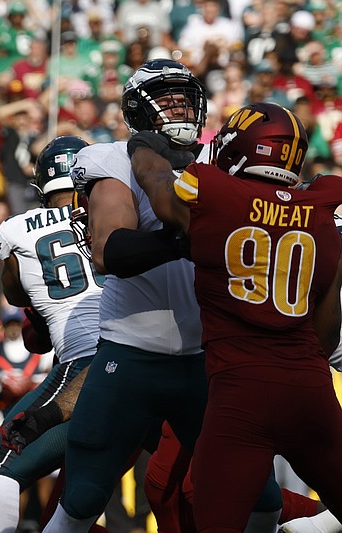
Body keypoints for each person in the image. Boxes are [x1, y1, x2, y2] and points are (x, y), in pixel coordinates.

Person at [39, 59, 280, 532]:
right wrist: (188, 239)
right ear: (137, 110)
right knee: (83, 500)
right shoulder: (109, 158)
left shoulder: (223, 159)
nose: (178, 105)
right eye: (164, 97)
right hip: (130, 356)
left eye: (184, 97)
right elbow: (109, 252)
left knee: (261, 496)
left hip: (205, 358)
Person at [128, 102, 342, 532]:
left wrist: (142, 147)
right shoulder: (321, 211)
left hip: (237, 395)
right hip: (309, 392)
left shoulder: (214, 194)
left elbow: (158, 186)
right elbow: (326, 336)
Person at [0, 135, 101, 533]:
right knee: (168, 483)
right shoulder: (119, 212)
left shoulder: (16, 228)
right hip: (141, 361)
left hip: (83, 363)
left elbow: (17, 296)